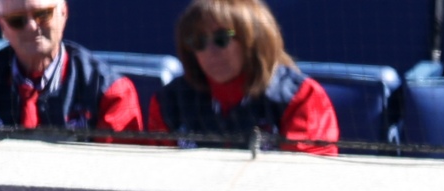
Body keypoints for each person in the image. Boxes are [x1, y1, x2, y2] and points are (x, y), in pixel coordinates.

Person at [145, 0, 339, 154]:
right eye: (199, 41)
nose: (210, 51)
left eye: (222, 38)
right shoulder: (169, 102)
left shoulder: (301, 97)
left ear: (253, 40)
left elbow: (305, 181)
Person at [0, 0, 143, 131]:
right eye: (17, 20)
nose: (32, 26)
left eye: (43, 14)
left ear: (63, 12)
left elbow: (118, 174)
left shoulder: (110, 92)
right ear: (3, 26)